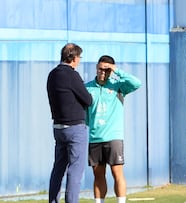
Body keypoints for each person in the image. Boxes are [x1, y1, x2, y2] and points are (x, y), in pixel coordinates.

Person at [85, 55, 141, 203]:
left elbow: (137, 83)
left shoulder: (118, 85)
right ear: (96, 68)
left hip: (113, 137)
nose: (102, 72)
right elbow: (84, 113)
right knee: (98, 175)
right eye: (100, 69)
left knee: (117, 174)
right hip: (95, 137)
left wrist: (117, 71)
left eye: (106, 69)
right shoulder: (87, 87)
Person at [47, 43, 93, 203]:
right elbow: (88, 99)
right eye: (79, 57)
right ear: (73, 58)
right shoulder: (72, 75)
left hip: (58, 127)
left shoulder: (52, 74)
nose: (79, 61)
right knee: (75, 171)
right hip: (74, 128)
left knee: (58, 168)